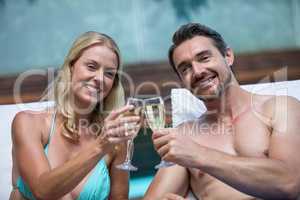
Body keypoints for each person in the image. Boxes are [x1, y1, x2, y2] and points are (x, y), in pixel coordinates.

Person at [144, 23, 300, 199]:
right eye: (185, 68)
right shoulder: (185, 136)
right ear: (181, 80)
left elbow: (289, 182)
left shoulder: (280, 108)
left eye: (204, 58)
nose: (197, 71)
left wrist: (197, 154)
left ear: (228, 56)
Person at [9, 31, 140, 200]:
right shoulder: (29, 123)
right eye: (91, 66)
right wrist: (100, 146)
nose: (99, 78)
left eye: (109, 73)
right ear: (71, 67)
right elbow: (43, 191)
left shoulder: (116, 143)